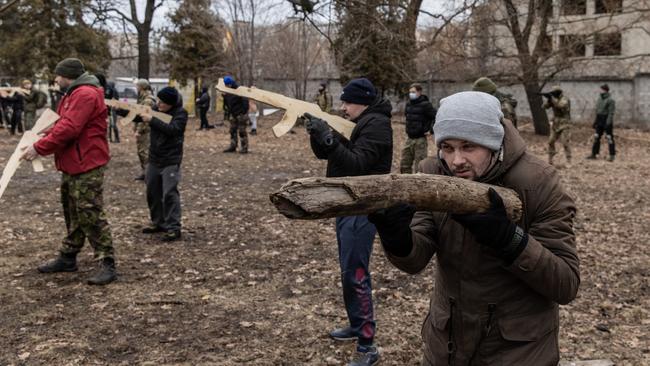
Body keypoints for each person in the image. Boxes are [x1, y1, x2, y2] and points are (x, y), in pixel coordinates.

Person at [368, 91, 579, 365]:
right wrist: (396, 237)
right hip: (446, 347)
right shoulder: (433, 172)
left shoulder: (539, 183)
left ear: (493, 143)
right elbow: (416, 257)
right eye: (447, 147)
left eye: (469, 146)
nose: (456, 161)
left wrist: (509, 240)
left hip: (517, 353)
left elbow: (565, 284)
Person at [304, 78, 392, 366]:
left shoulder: (376, 124)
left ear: (362, 102)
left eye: (347, 102)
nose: (342, 108)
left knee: (356, 274)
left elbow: (357, 165)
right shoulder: (357, 121)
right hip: (346, 204)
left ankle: (368, 345)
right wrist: (317, 134)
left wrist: (329, 138)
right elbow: (326, 153)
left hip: (363, 206)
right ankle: (357, 325)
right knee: (348, 272)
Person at [21, 58, 117, 285]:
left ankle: (107, 262)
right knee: (73, 211)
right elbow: (62, 123)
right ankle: (68, 256)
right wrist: (41, 136)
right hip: (73, 163)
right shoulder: (73, 94)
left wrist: (39, 148)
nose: (56, 79)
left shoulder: (84, 94)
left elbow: (69, 128)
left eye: (58, 75)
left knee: (89, 212)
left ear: (68, 75)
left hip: (87, 164)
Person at [139, 87, 188, 242]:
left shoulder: (181, 114)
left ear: (171, 104)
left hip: (171, 160)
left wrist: (152, 120)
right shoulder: (155, 108)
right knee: (152, 191)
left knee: (169, 193)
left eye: (162, 102)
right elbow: (136, 115)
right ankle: (158, 223)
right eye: (158, 100)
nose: (158, 103)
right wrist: (119, 109)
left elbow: (173, 129)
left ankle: (174, 228)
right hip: (154, 158)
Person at [400, 83, 436, 174]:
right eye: (410, 92)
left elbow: (435, 117)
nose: (411, 94)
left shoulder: (426, 105)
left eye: (413, 92)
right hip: (409, 139)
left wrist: (431, 130)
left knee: (419, 167)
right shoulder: (408, 104)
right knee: (404, 164)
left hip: (420, 140)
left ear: (419, 92)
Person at [134, 79, 156, 180]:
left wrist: (139, 130)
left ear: (141, 87)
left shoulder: (147, 100)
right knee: (141, 152)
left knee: (144, 152)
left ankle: (149, 174)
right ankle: (145, 172)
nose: (136, 88)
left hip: (145, 130)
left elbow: (144, 117)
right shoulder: (142, 98)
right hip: (143, 129)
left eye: (137, 86)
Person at [587, 84, 616, 162]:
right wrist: (595, 122)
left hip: (606, 120)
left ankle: (612, 155)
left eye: (601, 89)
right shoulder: (599, 99)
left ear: (605, 90)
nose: (599, 90)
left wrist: (608, 123)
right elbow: (598, 111)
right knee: (596, 137)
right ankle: (594, 154)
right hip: (599, 120)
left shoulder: (610, 100)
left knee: (609, 138)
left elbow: (611, 113)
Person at [544, 85, 572, 165]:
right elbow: (544, 106)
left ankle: (568, 160)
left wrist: (552, 99)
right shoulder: (553, 99)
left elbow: (560, 105)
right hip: (556, 124)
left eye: (554, 93)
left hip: (565, 123)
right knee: (550, 141)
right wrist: (548, 100)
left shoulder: (565, 99)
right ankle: (550, 159)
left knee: (565, 142)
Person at [222, 76, 250, 154]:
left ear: (231, 84)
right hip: (233, 114)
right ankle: (233, 146)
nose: (227, 86)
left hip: (241, 114)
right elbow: (228, 103)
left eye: (228, 85)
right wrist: (224, 97)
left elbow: (245, 102)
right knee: (232, 130)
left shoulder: (239, 90)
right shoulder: (227, 91)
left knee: (242, 131)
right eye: (226, 85)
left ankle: (244, 147)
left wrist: (243, 112)